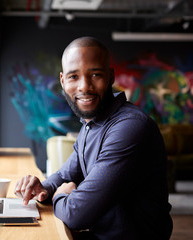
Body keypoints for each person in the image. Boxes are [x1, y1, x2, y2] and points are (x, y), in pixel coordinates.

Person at [14, 36, 173, 239]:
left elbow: (76, 214)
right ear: (63, 81)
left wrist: (62, 195)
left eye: (95, 74)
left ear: (110, 77)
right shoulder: (92, 123)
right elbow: (65, 175)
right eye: (73, 77)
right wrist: (41, 188)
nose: (84, 86)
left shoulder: (130, 127)